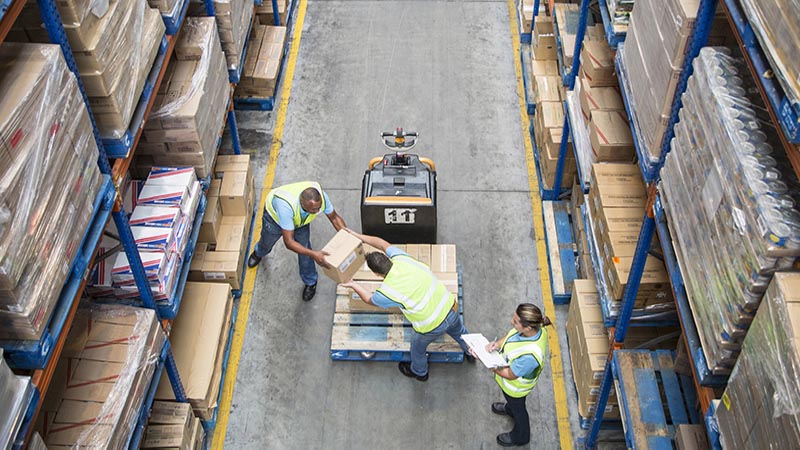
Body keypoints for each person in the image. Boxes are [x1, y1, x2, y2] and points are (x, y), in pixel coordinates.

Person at [341, 229, 473, 381]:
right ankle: (471, 353)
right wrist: (359, 237)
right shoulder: (401, 258)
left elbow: (369, 299)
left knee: (417, 347)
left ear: (376, 274)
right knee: (460, 332)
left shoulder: (388, 291)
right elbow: (382, 243)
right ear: (387, 258)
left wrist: (352, 284)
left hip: (433, 325)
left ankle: (420, 372)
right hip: (451, 307)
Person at [247, 181, 346, 301]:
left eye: (319, 208)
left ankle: (310, 282)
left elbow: (334, 218)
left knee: (304, 250)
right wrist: (314, 254)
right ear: (302, 204)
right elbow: (289, 242)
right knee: (267, 241)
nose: (317, 211)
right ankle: (259, 253)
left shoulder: (321, 198)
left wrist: (348, 237)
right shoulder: (286, 207)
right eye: (314, 209)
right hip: (275, 220)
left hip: (300, 221)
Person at [483, 303, 551, 447]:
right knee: (514, 406)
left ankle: (521, 436)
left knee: (519, 410)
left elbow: (510, 374)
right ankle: (510, 409)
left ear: (527, 327)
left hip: (515, 389)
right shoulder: (532, 330)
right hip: (510, 386)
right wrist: (497, 344)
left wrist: (492, 365)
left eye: (515, 321)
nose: (511, 322)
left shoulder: (529, 357)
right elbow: (509, 337)